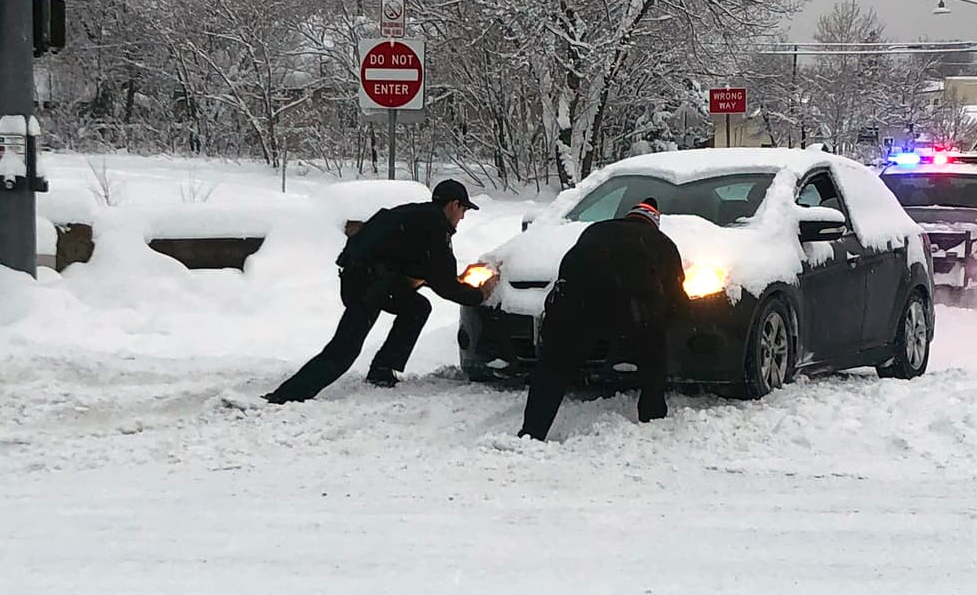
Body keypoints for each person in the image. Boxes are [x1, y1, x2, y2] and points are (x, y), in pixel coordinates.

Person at [264, 179, 498, 404]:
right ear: (453, 204)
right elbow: (444, 284)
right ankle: (287, 395)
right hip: (370, 286)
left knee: (417, 307)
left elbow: (413, 263)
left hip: (361, 278)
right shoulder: (435, 226)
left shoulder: (415, 214)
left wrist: (441, 279)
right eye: (463, 210)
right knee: (345, 349)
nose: (462, 217)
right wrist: (479, 294)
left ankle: (383, 369)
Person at [518, 197, 684, 441]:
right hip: (632, 306)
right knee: (654, 353)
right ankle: (652, 416)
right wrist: (670, 321)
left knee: (554, 366)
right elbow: (676, 296)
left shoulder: (596, 229)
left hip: (576, 303)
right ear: (653, 224)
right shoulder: (662, 243)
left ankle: (532, 431)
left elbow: (570, 268)